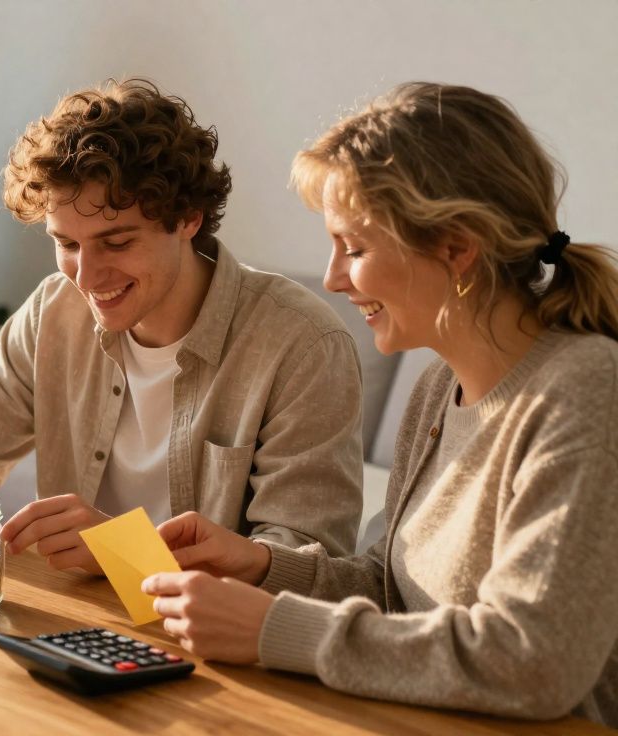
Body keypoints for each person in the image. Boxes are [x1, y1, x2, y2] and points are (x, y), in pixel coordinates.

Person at [143, 82, 618, 725]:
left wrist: (275, 630)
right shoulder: (434, 392)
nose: (335, 278)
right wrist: (259, 566)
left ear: (456, 247)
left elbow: (533, 661)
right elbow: (392, 591)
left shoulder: (586, 390)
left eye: (355, 248)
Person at [0, 78, 364, 571]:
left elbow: (308, 568)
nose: (87, 277)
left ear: (188, 219)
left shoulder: (301, 344)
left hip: (212, 640)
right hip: (76, 618)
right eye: (67, 245)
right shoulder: (54, 310)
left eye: (116, 243)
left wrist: (125, 552)